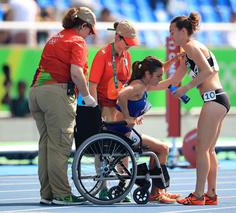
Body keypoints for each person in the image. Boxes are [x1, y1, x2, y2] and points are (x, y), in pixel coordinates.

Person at [28, 7, 97, 205]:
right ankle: (62, 194)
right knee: (59, 146)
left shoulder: (55, 37)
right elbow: (76, 72)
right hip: (56, 94)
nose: (89, 36)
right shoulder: (77, 41)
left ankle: (47, 194)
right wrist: (87, 96)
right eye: (89, 31)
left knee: (46, 146)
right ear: (83, 26)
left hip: (36, 92)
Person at [168, 12, 230, 205]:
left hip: (213, 99)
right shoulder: (188, 52)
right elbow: (174, 80)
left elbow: (208, 71)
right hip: (219, 100)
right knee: (209, 150)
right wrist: (153, 78)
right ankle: (211, 195)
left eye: (173, 32)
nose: (171, 37)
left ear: (184, 31)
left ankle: (197, 195)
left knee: (202, 149)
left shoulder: (191, 46)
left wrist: (186, 88)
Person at [109, 56, 182, 204]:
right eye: (158, 76)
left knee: (160, 149)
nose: (160, 79)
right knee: (163, 149)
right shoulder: (139, 87)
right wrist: (128, 117)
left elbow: (167, 81)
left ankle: (158, 191)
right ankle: (156, 193)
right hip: (122, 134)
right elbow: (122, 95)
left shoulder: (144, 84)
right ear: (147, 74)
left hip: (124, 132)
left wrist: (174, 61)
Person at [88, 19, 139, 202]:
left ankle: (122, 186)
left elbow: (126, 84)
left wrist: (130, 112)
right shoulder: (102, 55)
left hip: (119, 106)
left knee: (123, 145)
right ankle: (103, 187)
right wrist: (95, 110)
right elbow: (92, 85)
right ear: (117, 37)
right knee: (104, 147)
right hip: (103, 105)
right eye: (127, 43)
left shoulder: (126, 56)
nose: (129, 48)